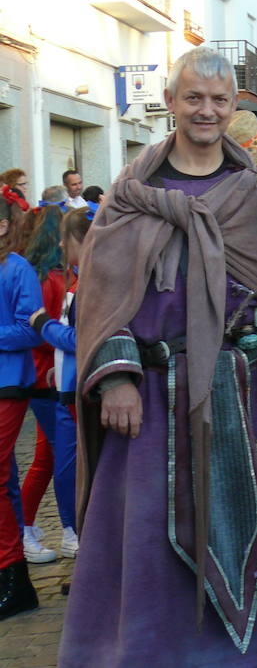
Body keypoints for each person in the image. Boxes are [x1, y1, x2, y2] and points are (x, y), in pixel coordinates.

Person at [60, 46, 257, 666]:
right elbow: (101, 297)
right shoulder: (131, 193)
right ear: (170, 102)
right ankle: (142, 651)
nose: (206, 110)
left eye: (219, 100)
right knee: (146, 538)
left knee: (253, 524)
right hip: (149, 398)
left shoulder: (255, 196)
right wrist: (115, 379)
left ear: (234, 107)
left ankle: (248, 654)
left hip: (242, 391)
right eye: (193, 97)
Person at [18, 205, 79, 565]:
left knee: (48, 457)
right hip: (49, 379)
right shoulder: (50, 278)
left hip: (49, 376)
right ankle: (60, 530)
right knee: (56, 459)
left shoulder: (51, 275)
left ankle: (27, 524)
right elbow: (43, 330)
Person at [0, 195, 43, 622]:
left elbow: (29, 329)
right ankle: (14, 577)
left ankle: (11, 572)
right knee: (5, 479)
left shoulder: (17, 268)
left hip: (9, 383)